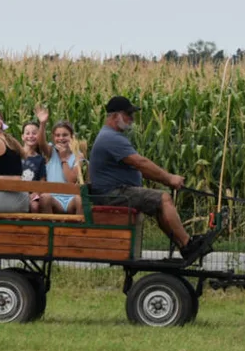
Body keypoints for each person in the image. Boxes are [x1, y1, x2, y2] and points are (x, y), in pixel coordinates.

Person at [89, 96, 208, 260]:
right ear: (115, 116)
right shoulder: (111, 138)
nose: (132, 119)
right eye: (128, 114)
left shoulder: (112, 136)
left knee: (159, 205)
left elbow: (140, 167)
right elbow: (141, 163)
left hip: (117, 192)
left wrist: (165, 179)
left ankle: (183, 246)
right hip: (114, 194)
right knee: (164, 199)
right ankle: (188, 244)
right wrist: (170, 179)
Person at [37, 116, 83, 215]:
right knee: (45, 197)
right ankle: (49, 229)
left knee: (80, 200)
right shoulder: (50, 151)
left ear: (72, 136)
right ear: (53, 137)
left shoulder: (78, 155)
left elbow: (71, 180)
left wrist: (63, 159)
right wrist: (42, 124)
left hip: (71, 199)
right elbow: (40, 143)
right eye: (57, 135)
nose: (61, 138)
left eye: (65, 135)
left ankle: (79, 229)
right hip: (54, 198)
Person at [20, 106, 49, 213]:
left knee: (35, 206)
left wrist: (35, 193)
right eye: (27, 133)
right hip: (17, 192)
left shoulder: (40, 159)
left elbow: (42, 180)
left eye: (34, 133)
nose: (31, 136)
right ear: (22, 136)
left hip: (33, 194)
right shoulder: (15, 154)